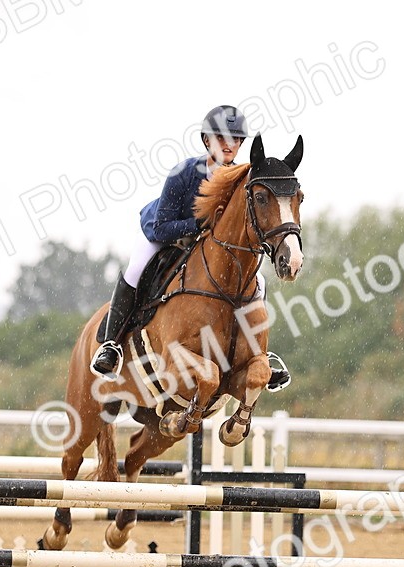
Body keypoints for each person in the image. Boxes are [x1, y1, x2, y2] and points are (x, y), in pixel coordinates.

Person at [90, 105, 290, 391]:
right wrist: (198, 226)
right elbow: (162, 226)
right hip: (165, 232)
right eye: (221, 138)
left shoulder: (242, 179)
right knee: (136, 270)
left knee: (256, 278)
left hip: (210, 245)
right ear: (206, 140)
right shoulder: (184, 173)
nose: (229, 145)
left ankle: (259, 351)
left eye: (235, 139)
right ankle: (111, 345)